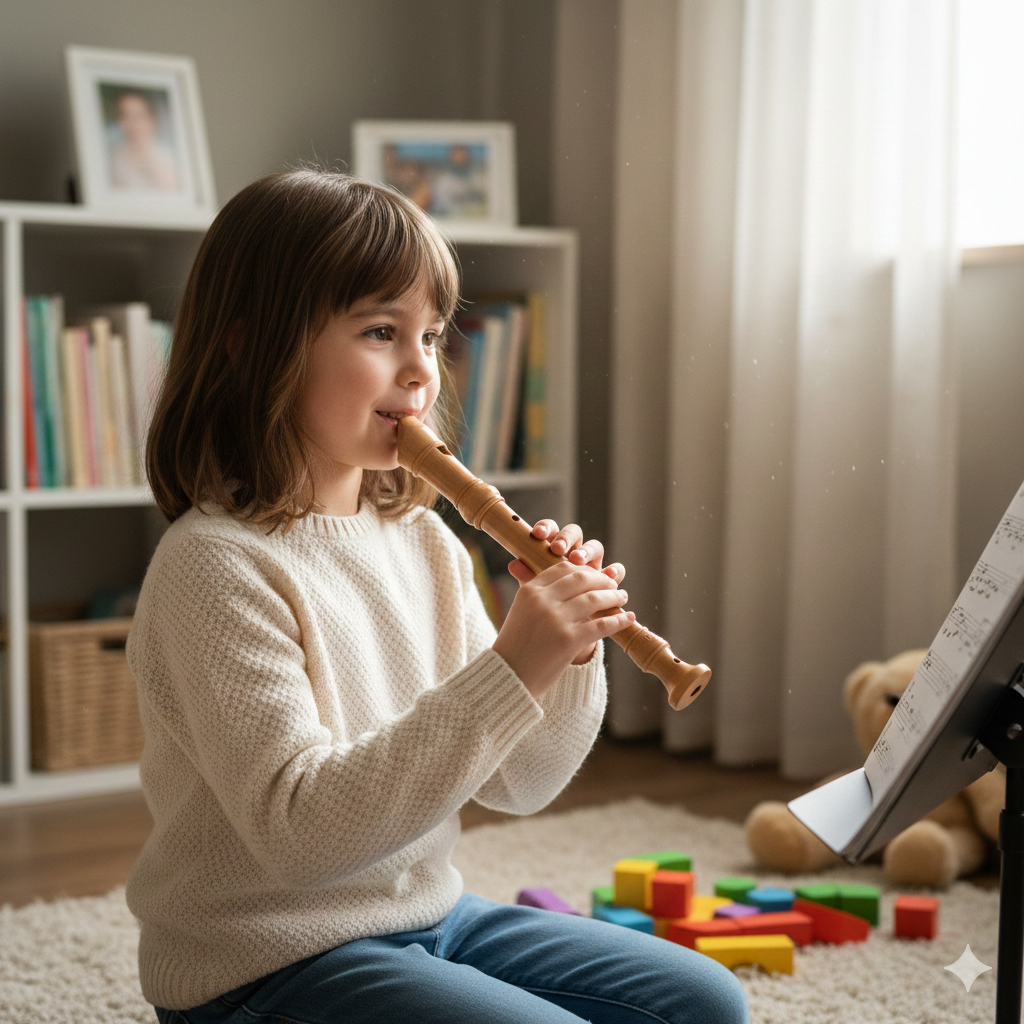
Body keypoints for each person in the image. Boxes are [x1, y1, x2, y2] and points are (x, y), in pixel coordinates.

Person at [127, 169, 750, 1024]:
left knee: (706, 1001)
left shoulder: (422, 541)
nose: (421, 369)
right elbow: (300, 836)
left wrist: (564, 655)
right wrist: (509, 664)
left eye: (432, 335)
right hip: (263, 962)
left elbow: (520, 783)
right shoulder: (216, 566)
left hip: (428, 917)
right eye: (382, 331)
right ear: (251, 346)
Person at [107, 87, 180, 193]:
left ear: (152, 119)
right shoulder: (114, 159)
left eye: (138, 116)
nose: (132, 124)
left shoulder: (168, 159)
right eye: (125, 116)